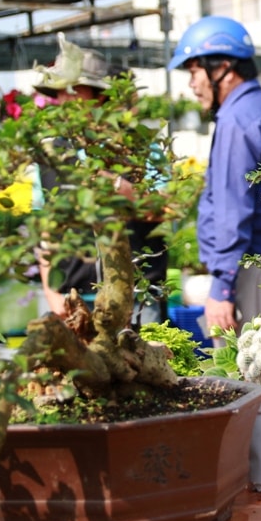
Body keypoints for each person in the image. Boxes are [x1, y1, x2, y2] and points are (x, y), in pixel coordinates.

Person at [168, 15, 261, 332]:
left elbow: (232, 211)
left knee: (249, 373)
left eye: (194, 71)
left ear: (223, 68)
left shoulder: (236, 120)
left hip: (253, 272)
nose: (192, 84)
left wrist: (221, 287)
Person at [32, 43, 169, 326]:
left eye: (73, 89)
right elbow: (45, 231)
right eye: (59, 90)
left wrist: (115, 183)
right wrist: (50, 290)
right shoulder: (49, 155)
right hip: (74, 298)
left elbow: (162, 209)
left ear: (99, 95)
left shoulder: (141, 146)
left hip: (138, 295)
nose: (63, 98)